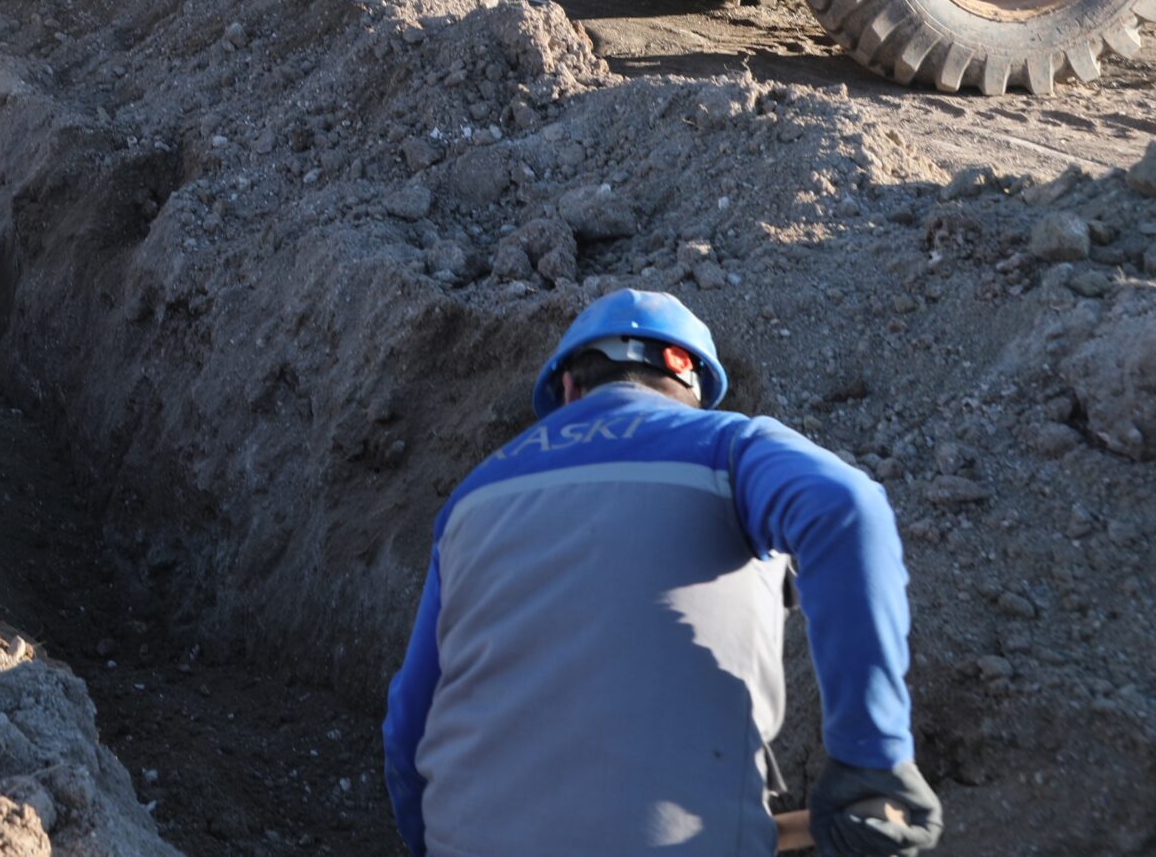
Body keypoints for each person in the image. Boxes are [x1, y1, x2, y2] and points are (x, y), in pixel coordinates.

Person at [383, 289, 941, 857]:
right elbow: (845, 508)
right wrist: (872, 758)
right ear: (691, 385)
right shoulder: (727, 446)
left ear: (569, 388)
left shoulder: (471, 496)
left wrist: (427, 840)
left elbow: (408, 726)